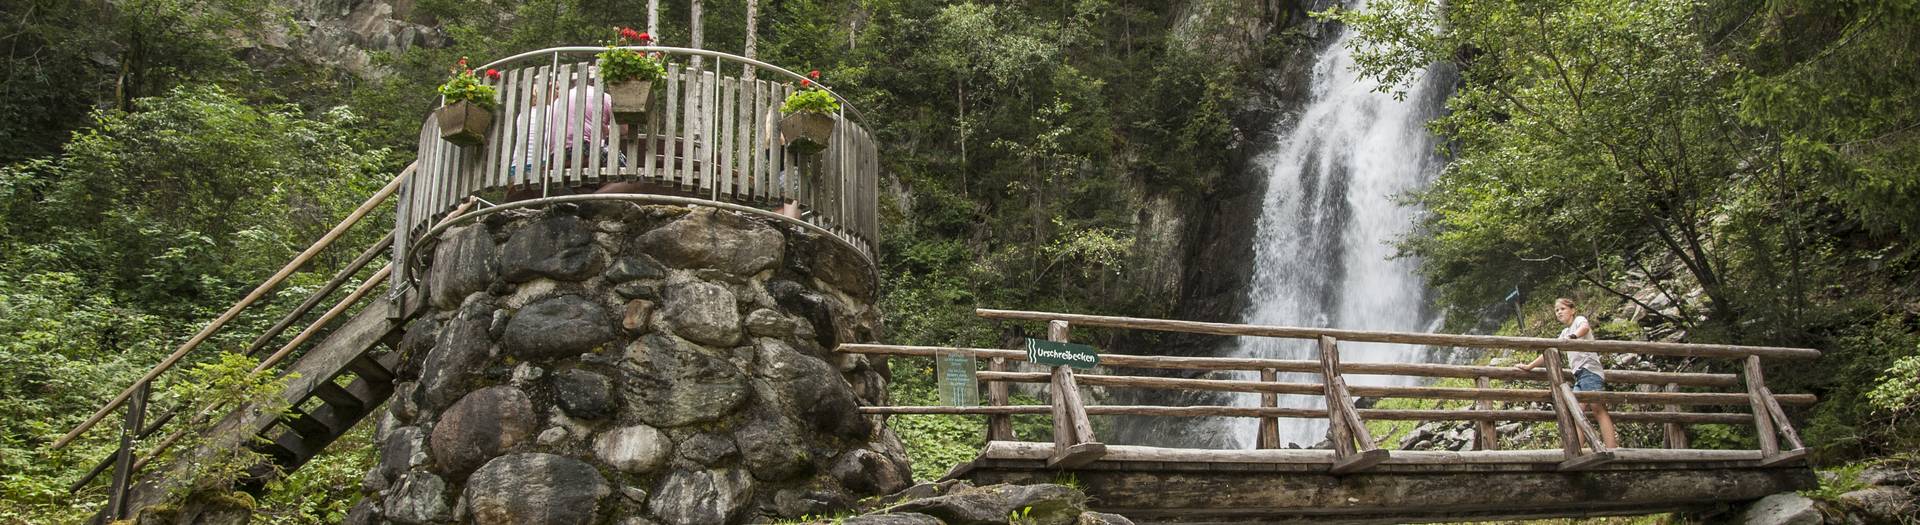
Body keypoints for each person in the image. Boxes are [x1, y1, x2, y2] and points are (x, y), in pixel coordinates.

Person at [1515, 297, 1619, 449]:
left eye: (1562, 309)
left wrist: (1573, 337)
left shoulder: (1578, 321)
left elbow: (1585, 328)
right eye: (1556, 310)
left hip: (1589, 370)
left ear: (1572, 310)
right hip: (1579, 376)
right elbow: (1551, 351)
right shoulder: (1564, 332)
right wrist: (1529, 366)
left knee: (1598, 409)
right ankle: (1577, 450)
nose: (1559, 312)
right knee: (1576, 412)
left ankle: (1612, 448)